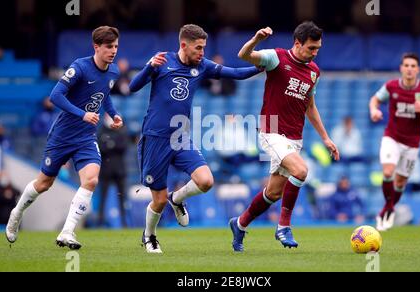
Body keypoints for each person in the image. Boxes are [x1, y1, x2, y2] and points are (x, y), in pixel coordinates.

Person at [129, 24, 262, 254]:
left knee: (206, 181)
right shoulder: (162, 62)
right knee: (158, 201)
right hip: (155, 139)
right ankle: (149, 235)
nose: (202, 52)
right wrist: (148, 67)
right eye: (198, 48)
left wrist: (263, 67)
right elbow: (132, 87)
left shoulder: (202, 66)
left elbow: (236, 73)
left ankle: (178, 198)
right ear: (184, 45)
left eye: (204, 48)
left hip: (180, 137)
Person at [5, 26, 123, 250]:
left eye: (116, 46)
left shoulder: (114, 72)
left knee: (91, 179)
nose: (113, 51)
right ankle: (17, 212)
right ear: (96, 47)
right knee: (44, 183)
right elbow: (55, 95)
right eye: (109, 46)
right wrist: (82, 114)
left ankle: (67, 231)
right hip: (62, 136)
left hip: (86, 138)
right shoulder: (80, 67)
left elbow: (105, 96)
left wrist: (114, 114)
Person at [229, 22, 340, 252]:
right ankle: (283, 226)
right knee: (301, 171)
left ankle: (239, 224)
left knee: (273, 192)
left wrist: (326, 138)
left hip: (294, 138)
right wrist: (257, 39)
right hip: (271, 130)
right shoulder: (276, 57)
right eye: (311, 48)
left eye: (318, 48)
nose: (315, 52)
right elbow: (243, 55)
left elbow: (310, 106)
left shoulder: (314, 72)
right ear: (297, 43)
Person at [369, 52, 420, 231]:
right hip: (392, 137)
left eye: (413, 66)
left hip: (412, 143)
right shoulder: (392, 86)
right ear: (401, 68)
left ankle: (387, 209)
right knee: (388, 171)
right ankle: (388, 209)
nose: (410, 69)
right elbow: (375, 99)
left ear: (418, 69)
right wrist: (374, 110)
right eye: (407, 66)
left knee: (401, 182)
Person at [97, 113, 129, 227]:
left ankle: (125, 222)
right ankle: (99, 222)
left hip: (119, 169)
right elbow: (100, 147)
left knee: (122, 197)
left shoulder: (121, 129)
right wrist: (113, 144)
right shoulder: (102, 129)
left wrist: (110, 143)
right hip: (105, 169)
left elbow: (123, 146)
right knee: (102, 197)